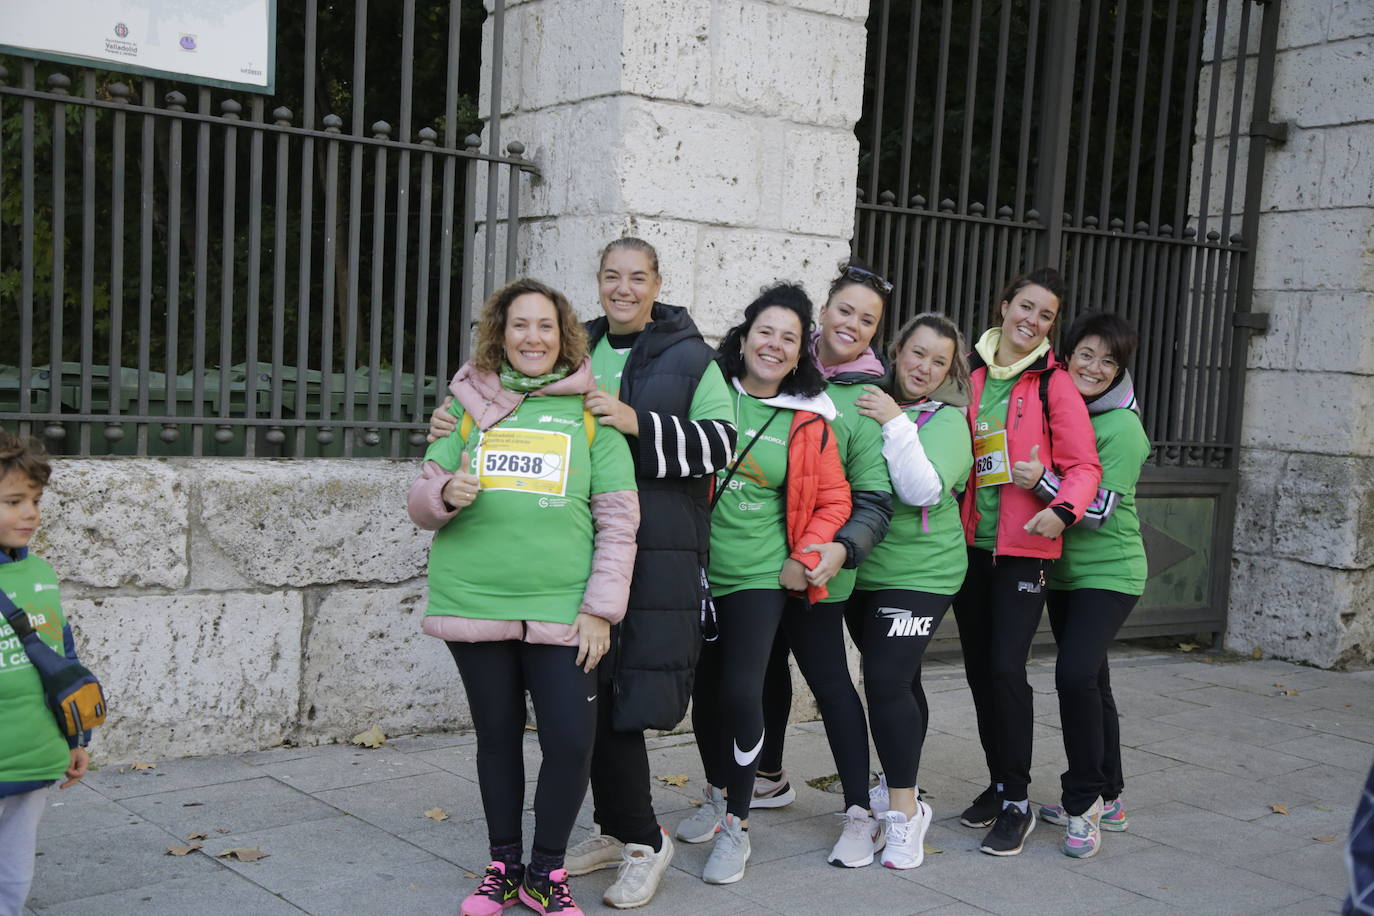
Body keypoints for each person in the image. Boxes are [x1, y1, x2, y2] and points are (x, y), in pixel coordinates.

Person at [429, 238, 735, 909]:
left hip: (654, 556)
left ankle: (642, 841)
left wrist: (636, 422)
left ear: (658, 282)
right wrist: (451, 421)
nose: (624, 288)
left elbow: (722, 444)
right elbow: (495, 403)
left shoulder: (691, 356)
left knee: (606, 715)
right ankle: (598, 832)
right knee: (590, 714)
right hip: (573, 554)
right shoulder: (582, 345)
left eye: (638, 277)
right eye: (611, 276)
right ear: (596, 286)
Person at [408, 278, 640, 916]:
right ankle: (504, 866)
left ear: (563, 335)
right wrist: (444, 495)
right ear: (500, 335)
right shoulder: (466, 405)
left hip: (565, 605)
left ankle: (547, 871)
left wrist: (600, 608)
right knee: (497, 737)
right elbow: (421, 501)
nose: (531, 337)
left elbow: (619, 521)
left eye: (544, 326)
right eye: (519, 325)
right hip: (477, 596)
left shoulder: (593, 414)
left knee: (569, 740)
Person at [677, 283, 850, 885]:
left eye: (789, 338)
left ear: (801, 352)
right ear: (744, 336)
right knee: (704, 692)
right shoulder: (707, 393)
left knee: (741, 693)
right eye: (765, 332)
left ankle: (739, 827)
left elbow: (833, 500)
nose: (774, 345)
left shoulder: (809, 419)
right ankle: (717, 793)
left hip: (759, 577)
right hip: (697, 571)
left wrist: (804, 554)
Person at [952, 268, 1102, 857]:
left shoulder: (1053, 384)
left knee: (1007, 670)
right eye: (1026, 307)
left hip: (1023, 548)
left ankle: (1016, 800)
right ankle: (998, 781)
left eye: (1045, 315)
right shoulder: (970, 372)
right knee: (979, 671)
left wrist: (1061, 511)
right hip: (968, 545)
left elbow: (1085, 467)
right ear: (1004, 305)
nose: (1033, 321)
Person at [752, 261, 894, 869]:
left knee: (830, 680)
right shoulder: (782, 369)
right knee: (762, 671)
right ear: (823, 312)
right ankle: (767, 774)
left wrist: (836, 551)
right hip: (757, 564)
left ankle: (860, 809)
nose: (852, 325)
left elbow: (872, 500)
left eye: (868, 321)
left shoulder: (865, 400)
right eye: (845, 311)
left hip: (820, 570)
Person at [1010, 311, 1149, 858]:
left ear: (1120, 371)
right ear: (1066, 357)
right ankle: (1111, 795)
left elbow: (1095, 510)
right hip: (1065, 574)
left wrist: (1040, 482)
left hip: (1110, 572)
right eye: (1086, 355)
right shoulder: (1060, 410)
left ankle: (1083, 800)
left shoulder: (1122, 427)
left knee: (1073, 676)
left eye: (1108, 361)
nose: (1095, 367)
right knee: (1094, 682)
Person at [849, 312, 974, 868]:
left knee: (884, 680)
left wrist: (898, 421)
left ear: (950, 371)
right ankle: (906, 779)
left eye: (939, 361)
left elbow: (922, 490)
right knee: (901, 680)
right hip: (865, 570)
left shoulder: (948, 422)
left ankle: (903, 812)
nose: (924, 367)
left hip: (923, 572)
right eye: (916, 353)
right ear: (897, 350)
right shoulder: (865, 396)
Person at [0, 432, 91, 916]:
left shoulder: (41, 574)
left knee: (14, 863)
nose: (31, 513)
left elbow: (61, 661)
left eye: (34, 500)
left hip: (35, 751)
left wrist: (76, 738)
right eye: (13, 501)